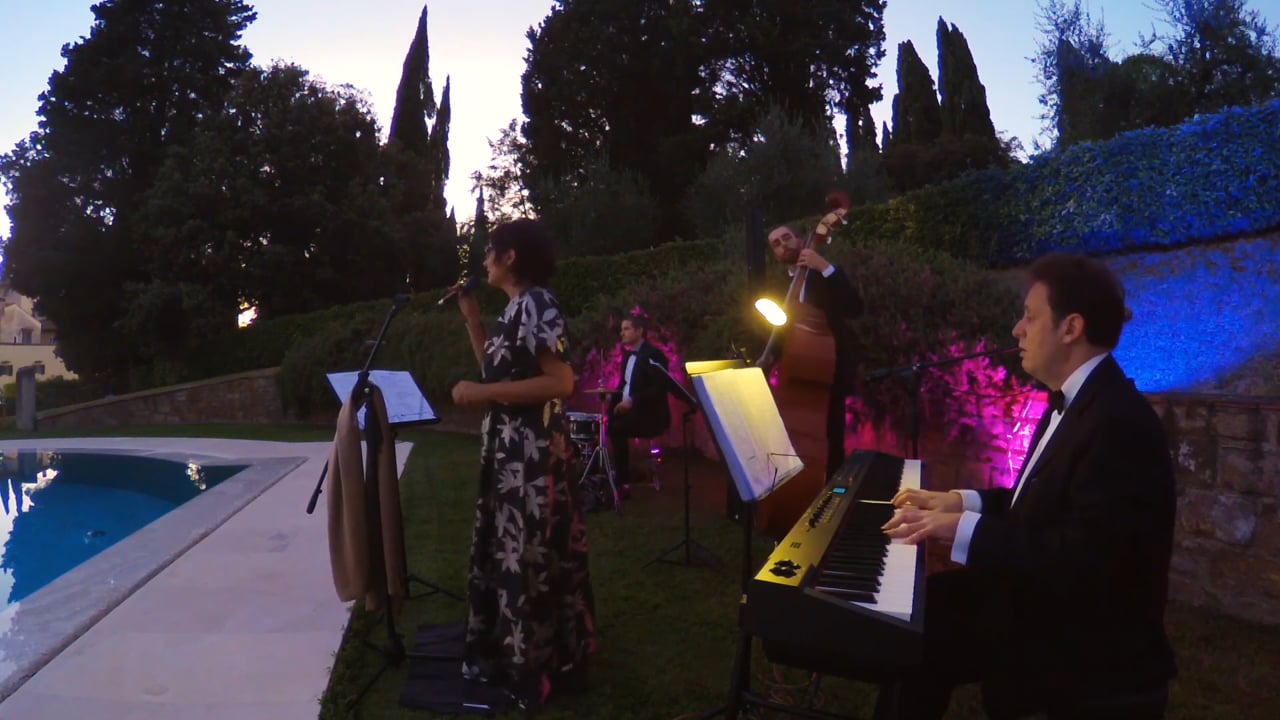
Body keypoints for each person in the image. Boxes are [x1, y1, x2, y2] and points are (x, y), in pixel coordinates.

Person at [881, 252, 1177, 719]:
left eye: (1029, 316)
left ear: (1070, 328)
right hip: (1047, 607)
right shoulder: (1077, 401)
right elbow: (1037, 504)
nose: (1017, 329)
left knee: (923, 629)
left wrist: (957, 528)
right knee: (917, 619)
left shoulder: (1118, 422)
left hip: (1087, 654)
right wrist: (959, 501)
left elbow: (1082, 561)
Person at [450, 218, 596, 711]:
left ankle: (537, 662)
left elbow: (561, 382)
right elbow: (494, 372)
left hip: (531, 459)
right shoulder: (514, 309)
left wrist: (482, 393)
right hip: (509, 455)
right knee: (511, 551)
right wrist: (473, 319)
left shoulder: (538, 303)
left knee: (528, 555)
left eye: (491, 250)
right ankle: (520, 649)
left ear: (510, 256)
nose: (484, 260)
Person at [763, 223, 864, 477]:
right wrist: (769, 357)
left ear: (800, 239)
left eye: (786, 238)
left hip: (829, 368)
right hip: (797, 369)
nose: (783, 245)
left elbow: (855, 308)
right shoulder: (780, 286)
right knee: (796, 432)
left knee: (831, 435)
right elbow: (782, 330)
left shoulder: (824, 274)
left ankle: (831, 489)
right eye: (776, 244)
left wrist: (825, 267)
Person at [605, 315, 671, 488]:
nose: (622, 333)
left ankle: (622, 479)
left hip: (649, 414)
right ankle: (618, 472)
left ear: (639, 331)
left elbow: (659, 388)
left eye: (626, 329)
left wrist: (632, 401)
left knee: (616, 428)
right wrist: (612, 396)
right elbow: (624, 384)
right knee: (609, 423)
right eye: (621, 329)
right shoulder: (628, 356)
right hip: (630, 411)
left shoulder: (654, 355)